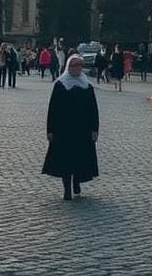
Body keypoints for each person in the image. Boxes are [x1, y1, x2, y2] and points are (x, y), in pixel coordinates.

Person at [42, 54, 99, 200]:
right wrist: (50, 130)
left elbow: (93, 109)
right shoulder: (60, 84)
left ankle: (77, 182)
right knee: (65, 160)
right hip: (63, 129)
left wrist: (94, 129)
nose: (77, 68)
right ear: (68, 67)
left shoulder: (87, 86)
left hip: (83, 130)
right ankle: (67, 188)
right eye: (74, 65)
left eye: (80, 65)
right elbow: (53, 108)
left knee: (80, 159)